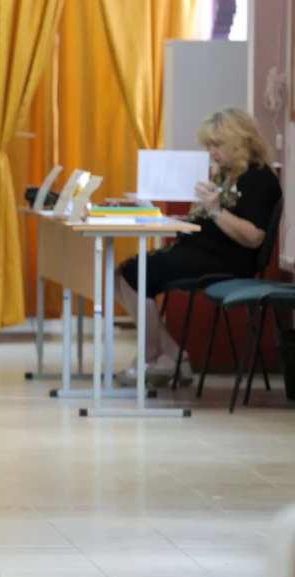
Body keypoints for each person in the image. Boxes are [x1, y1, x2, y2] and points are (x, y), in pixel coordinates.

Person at [115, 108, 281, 386]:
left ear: (239, 141)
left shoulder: (258, 178)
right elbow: (212, 218)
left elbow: (253, 237)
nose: (211, 153)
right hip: (203, 250)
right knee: (122, 273)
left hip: (229, 259)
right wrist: (182, 219)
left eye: (217, 144)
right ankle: (171, 357)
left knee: (135, 272)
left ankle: (152, 356)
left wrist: (214, 211)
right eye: (208, 146)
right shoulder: (225, 175)